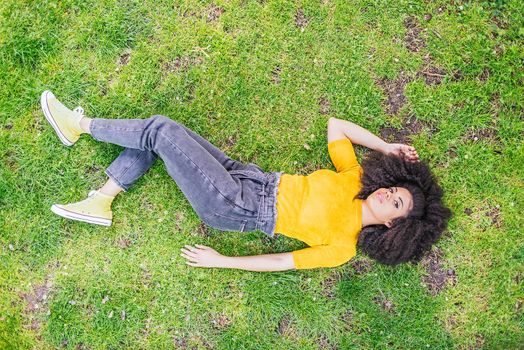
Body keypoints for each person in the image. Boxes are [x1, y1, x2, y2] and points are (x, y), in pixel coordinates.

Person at [40, 90, 451, 272]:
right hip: (247, 175)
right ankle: (102, 199)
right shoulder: (356, 177)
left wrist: (223, 261)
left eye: (394, 203)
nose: (387, 194)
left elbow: (280, 262)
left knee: (162, 131)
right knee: (169, 142)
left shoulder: (342, 247)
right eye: (394, 189)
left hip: (237, 206)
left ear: (394, 226)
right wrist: (386, 147)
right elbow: (336, 125)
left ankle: (77, 125)